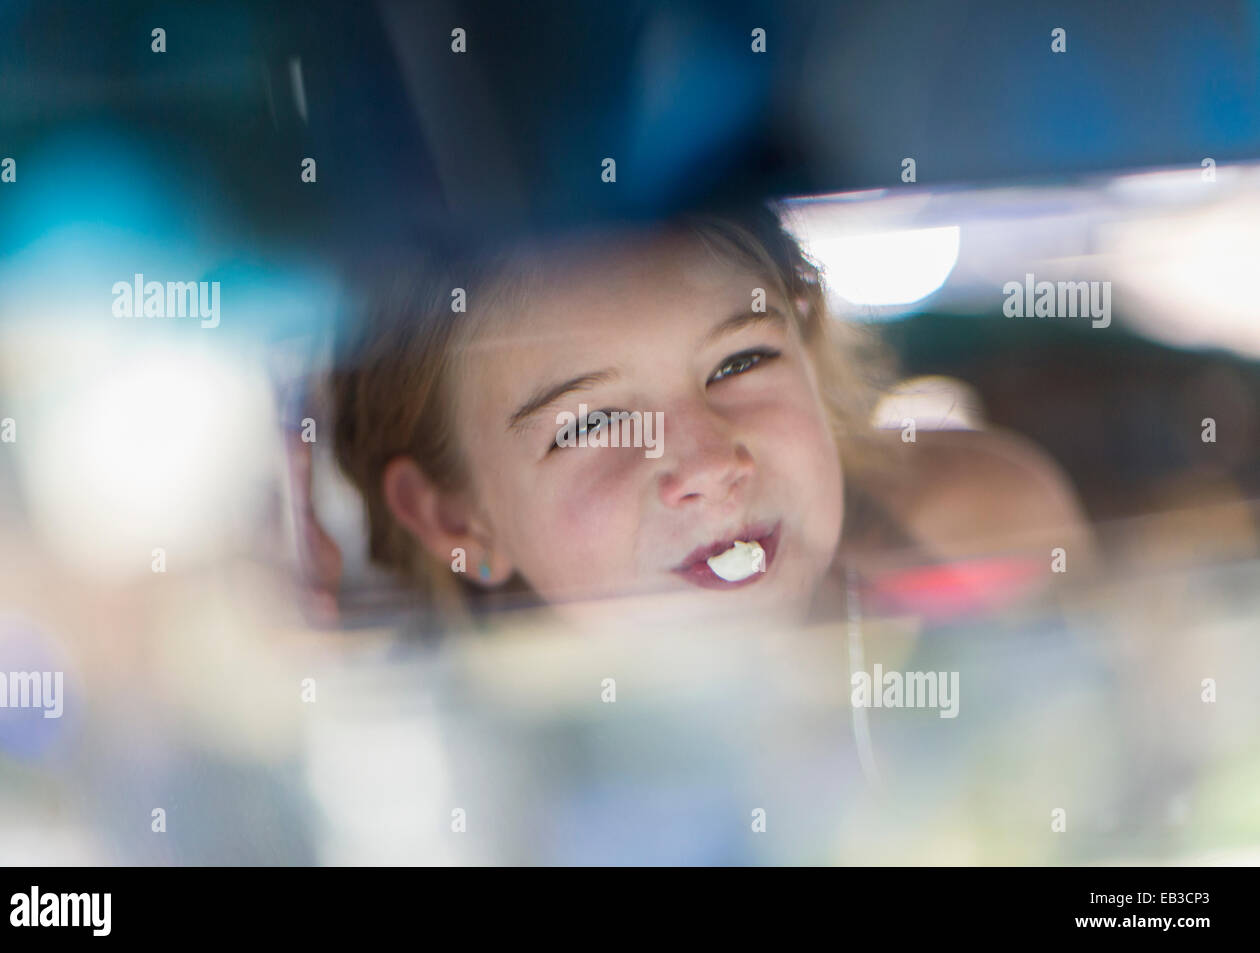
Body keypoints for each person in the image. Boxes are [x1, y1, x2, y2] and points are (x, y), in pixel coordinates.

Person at [325, 202, 1092, 636]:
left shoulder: (970, 542)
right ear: (455, 517)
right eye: (590, 424)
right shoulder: (437, 777)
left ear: (807, 342)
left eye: (739, 363)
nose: (710, 463)